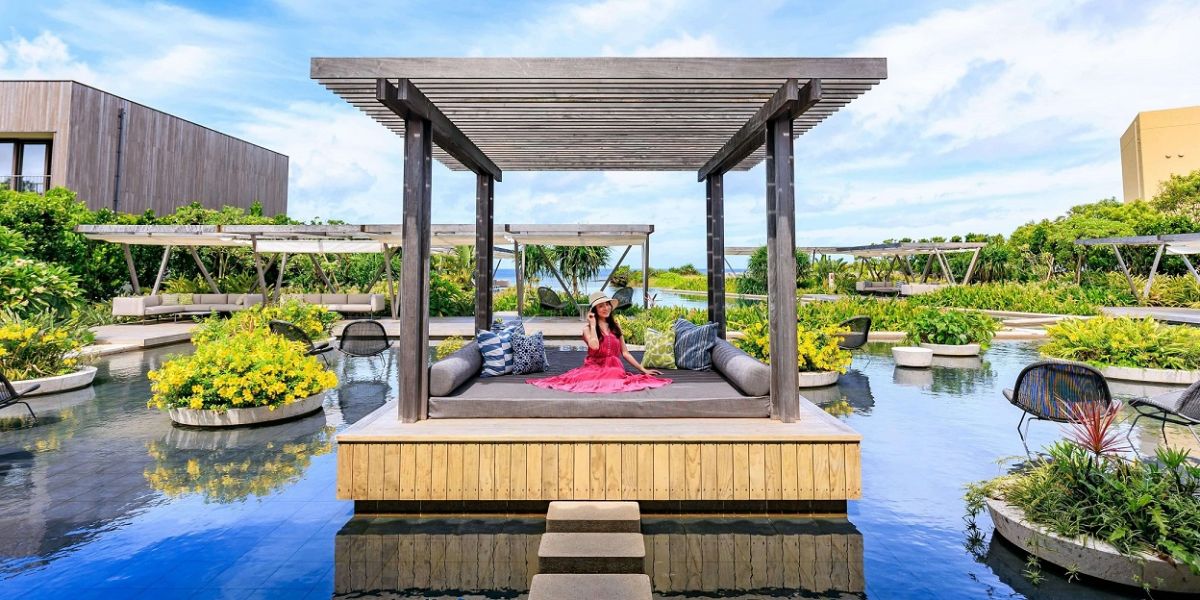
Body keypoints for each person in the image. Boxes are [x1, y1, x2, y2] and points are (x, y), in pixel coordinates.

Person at [528, 291, 671, 393]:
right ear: (595, 310)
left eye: (607, 304)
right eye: (601, 306)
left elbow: (625, 353)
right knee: (585, 380)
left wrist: (643, 370)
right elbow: (595, 346)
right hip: (594, 366)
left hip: (614, 367)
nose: (605, 308)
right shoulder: (587, 329)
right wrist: (592, 325)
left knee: (614, 374)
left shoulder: (616, 326)